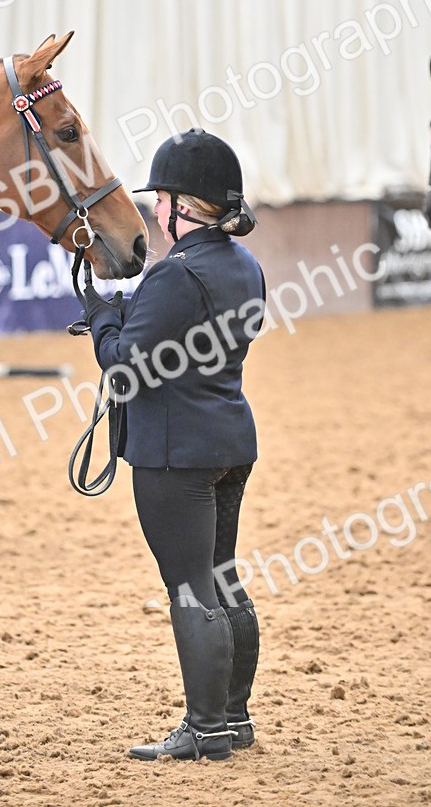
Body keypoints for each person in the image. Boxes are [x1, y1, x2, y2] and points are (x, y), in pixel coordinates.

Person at [82, 129, 264, 762]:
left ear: (184, 206)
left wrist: (101, 316)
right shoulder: (244, 265)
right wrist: (128, 315)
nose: (155, 210)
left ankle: (205, 727)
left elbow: (124, 367)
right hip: (229, 439)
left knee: (190, 587)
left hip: (174, 452)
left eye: (161, 199)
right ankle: (234, 718)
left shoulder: (176, 274)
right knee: (223, 578)